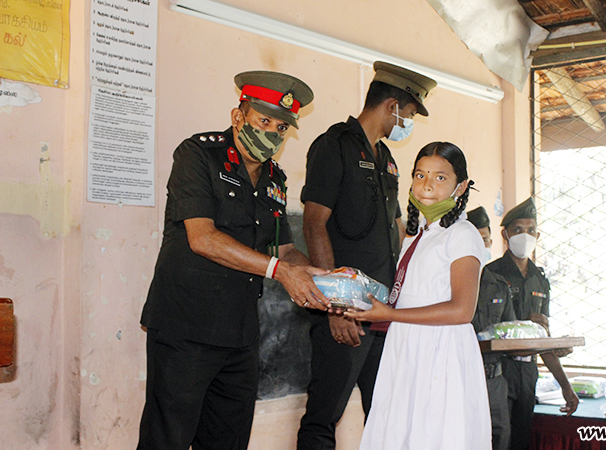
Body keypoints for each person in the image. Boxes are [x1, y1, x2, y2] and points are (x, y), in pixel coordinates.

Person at [137, 71, 330, 450]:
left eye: (281, 127)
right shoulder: (197, 155)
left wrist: (320, 275)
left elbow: (284, 250)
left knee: (228, 440)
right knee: (168, 439)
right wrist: (281, 271)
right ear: (238, 116)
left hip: (240, 334)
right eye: (264, 121)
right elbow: (203, 238)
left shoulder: (276, 179)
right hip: (186, 328)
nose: (272, 134)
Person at [298, 61, 436, 449]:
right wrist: (336, 307)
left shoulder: (387, 159)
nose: (407, 122)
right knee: (324, 415)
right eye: (408, 114)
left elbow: (396, 230)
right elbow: (313, 224)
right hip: (346, 308)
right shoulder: (334, 145)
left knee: (385, 412)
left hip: (382, 310)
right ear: (392, 105)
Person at [346, 142, 491, 450]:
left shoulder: (461, 234)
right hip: (408, 345)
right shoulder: (420, 233)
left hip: (441, 351)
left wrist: (390, 315)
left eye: (440, 178)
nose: (427, 185)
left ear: (461, 185)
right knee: (402, 432)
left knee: (434, 434)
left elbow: (462, 310)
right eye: (420, 175)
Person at [486, 197, 579, 450]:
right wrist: (523, 326)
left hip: (528, 374)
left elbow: (543, 339)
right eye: (517, 230)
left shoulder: (540, 280)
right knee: (498, 440)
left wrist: (566, 386)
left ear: (537, 234)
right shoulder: (490, 275)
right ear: (505, 234)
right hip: (498, 372)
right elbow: (484, 333)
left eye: (529, 231)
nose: (524, 236)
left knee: (521, 441)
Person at [467, 206, 517, 450]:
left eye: (486, 240)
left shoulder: (498, 285)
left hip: (494, 378)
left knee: (500, 435)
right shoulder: (445, 282)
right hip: (462, 376)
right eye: (476, 240)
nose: (482, 246)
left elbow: (510, 330)